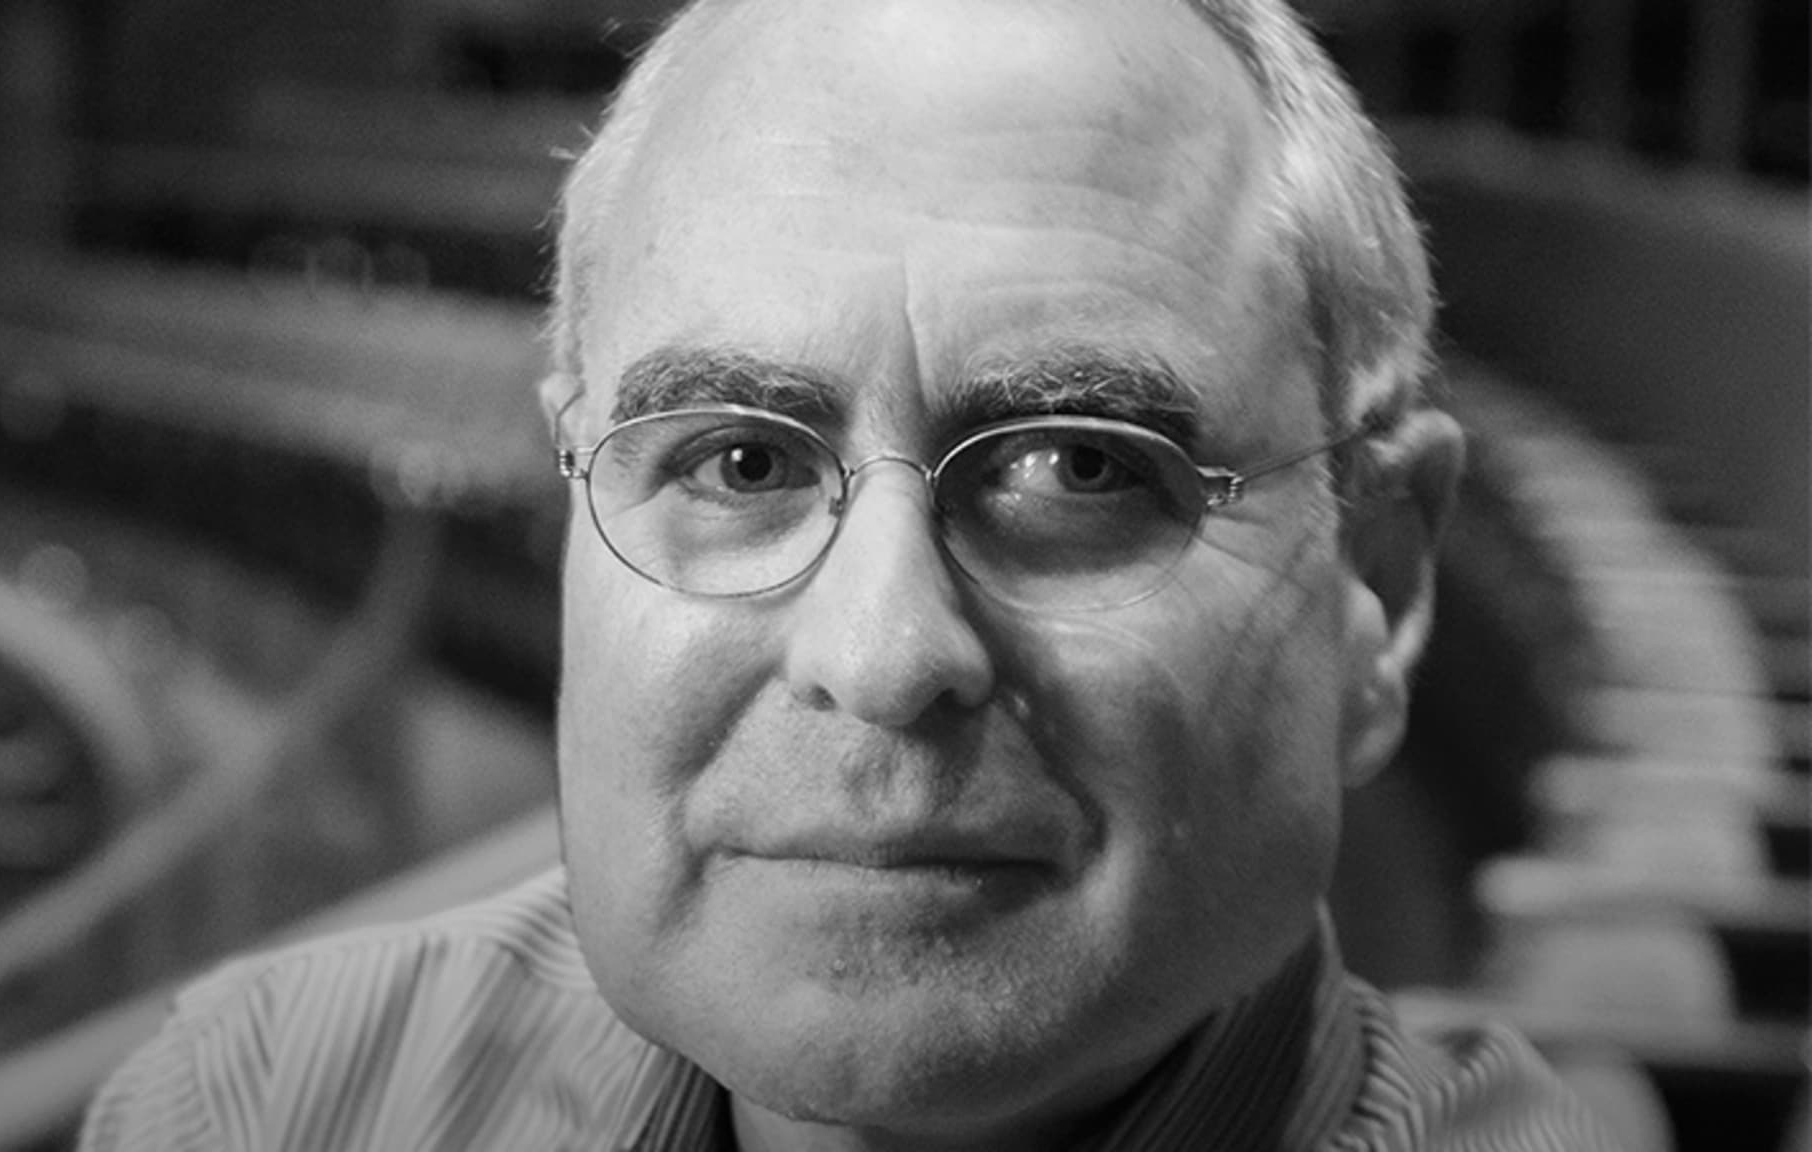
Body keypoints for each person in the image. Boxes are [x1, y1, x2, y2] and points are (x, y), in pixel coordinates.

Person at [80, 0, 1623, 1148]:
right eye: (739, 464)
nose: (881, 654)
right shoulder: (268, 1102)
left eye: (1078, 467)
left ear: (1377, 585)